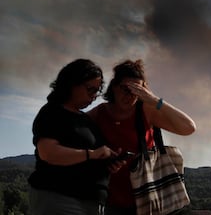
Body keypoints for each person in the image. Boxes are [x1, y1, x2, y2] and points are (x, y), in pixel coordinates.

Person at [88, 59, 196, 215]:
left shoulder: (146, 111)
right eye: (126, 88)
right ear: (114, 87)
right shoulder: (99, 113)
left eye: (136, 90)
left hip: (147, 198)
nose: (130, 95)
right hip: (109, 198)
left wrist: (153, 100)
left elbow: (188, 127)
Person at [28, 59, 120, 215]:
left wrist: (108, 162)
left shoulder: (86, 119)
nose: (94, 96)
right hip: (60, 197)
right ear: (71, 83)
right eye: (90, 89)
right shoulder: (52, 112)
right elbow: (48, 153)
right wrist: (91, 154)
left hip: (92, 202)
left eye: (97, 91)